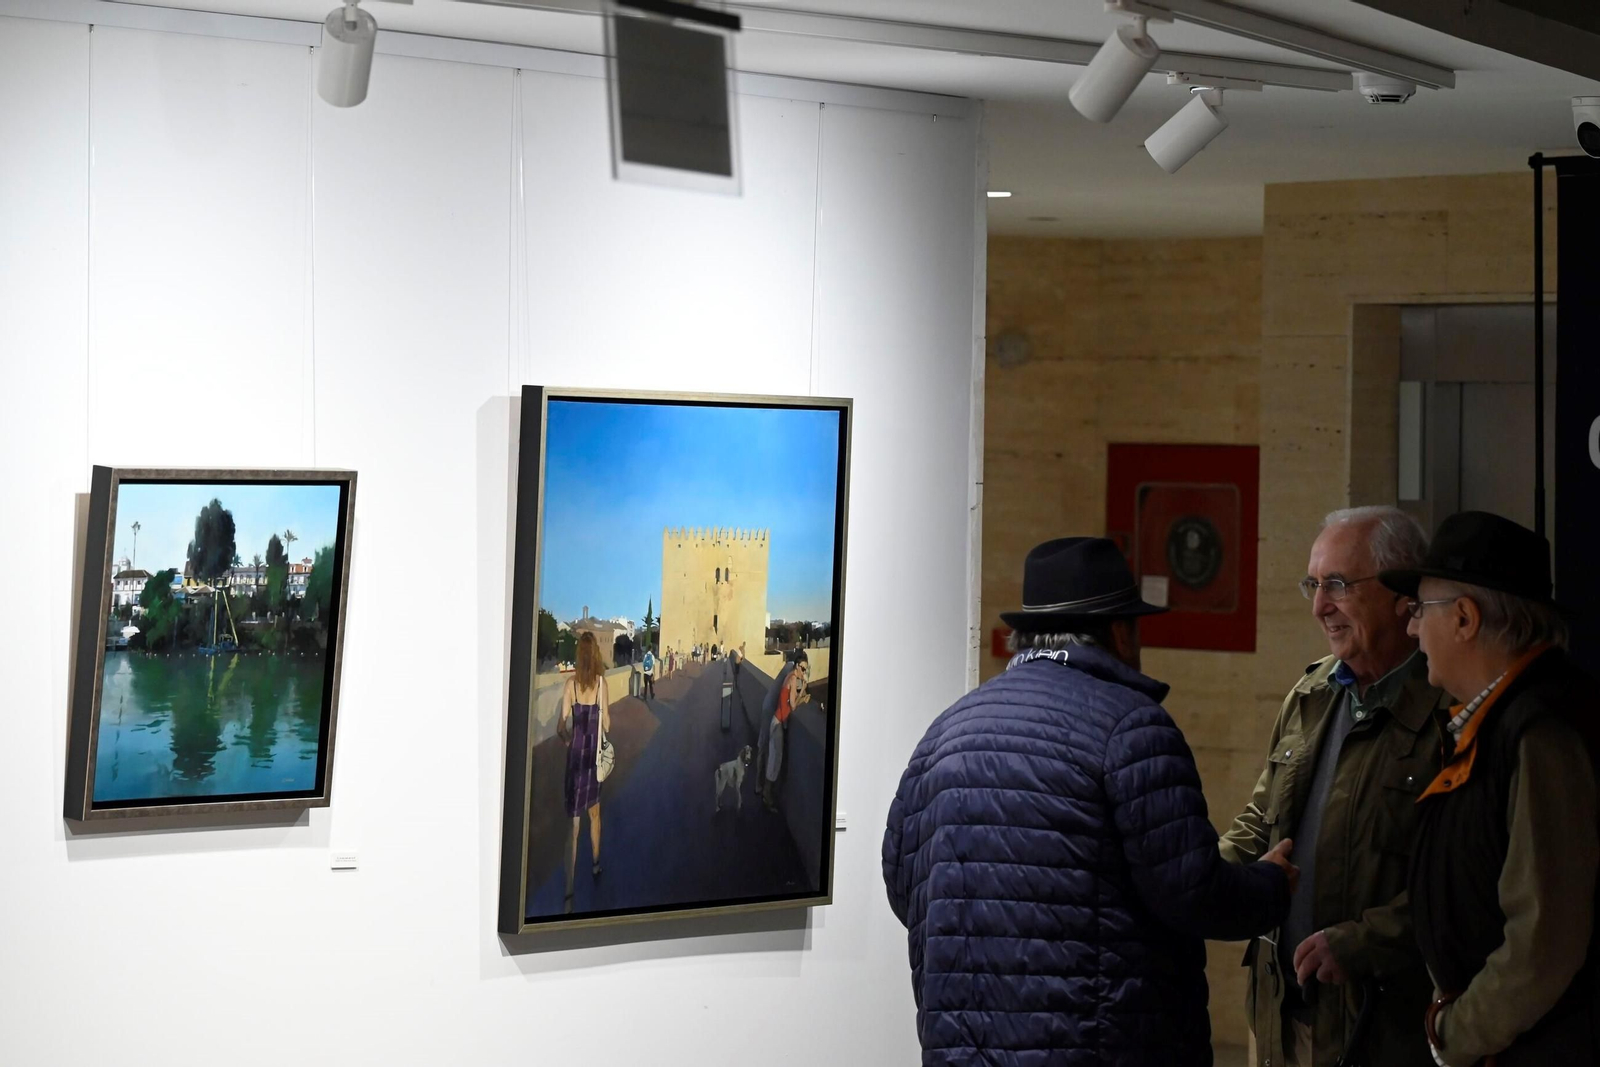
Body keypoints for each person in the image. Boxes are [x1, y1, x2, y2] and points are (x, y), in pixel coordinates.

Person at [884, 537, 1297, 1065]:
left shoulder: (947, 728)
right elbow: (1192, 892)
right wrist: (1271, 886)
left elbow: (903, 886)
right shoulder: (1131, 726)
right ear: (1121, 632)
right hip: (1102, 1044)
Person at [1219, 506, 1447, 1067]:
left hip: (1382, 1030)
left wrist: (1367, 942)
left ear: (1403, 597)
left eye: (1339, 586)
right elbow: (1259, 818)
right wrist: (1202, 882)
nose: (1321, 607)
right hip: (1283, 1020)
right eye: (1314, 585)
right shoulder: (1312, 691)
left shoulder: (1447, 710)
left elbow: (1465, 882)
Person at [1378, 511, 1600, 1066]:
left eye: (1418, 611)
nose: (1410, 629)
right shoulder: (1500, 723)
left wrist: (1455, 1034)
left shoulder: (1540, 729)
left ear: (1464, 619)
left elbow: (1544, 942)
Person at [559, 631, 611, 914]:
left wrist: (569, 742)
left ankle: (568, 887)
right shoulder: (602, 685)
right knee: (595, 814)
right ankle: (595, 863)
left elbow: (560, 727)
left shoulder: (571, 686)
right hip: (593, 759)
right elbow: (608, 726)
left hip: (575, 756)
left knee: (573, 824)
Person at [760, 657, 807, 810]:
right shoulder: (793, 679)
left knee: (774, 759)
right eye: (803, 669)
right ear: (797, 667)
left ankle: (767, 796)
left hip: (776, 721)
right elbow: (792, 706)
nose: (804, 672)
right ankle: (767, 798)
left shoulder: (789, 676)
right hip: (778, 724)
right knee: (775, 761)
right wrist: (803, 698)